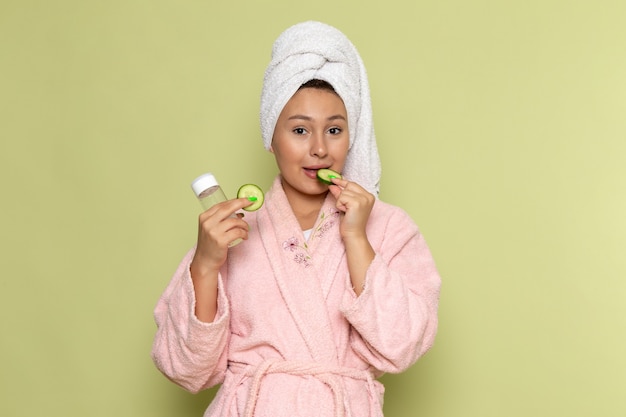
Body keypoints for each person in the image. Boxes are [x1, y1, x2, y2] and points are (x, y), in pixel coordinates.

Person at [151, 21, 441, 417]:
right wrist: (204, 265)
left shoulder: (389, 228)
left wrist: (356, 238)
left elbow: (402, 345)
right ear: (271, 137)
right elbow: (186, 370)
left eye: (334, 130)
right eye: (300, 130)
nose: (319, 148)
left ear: (351, 137)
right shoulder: (235, 231)